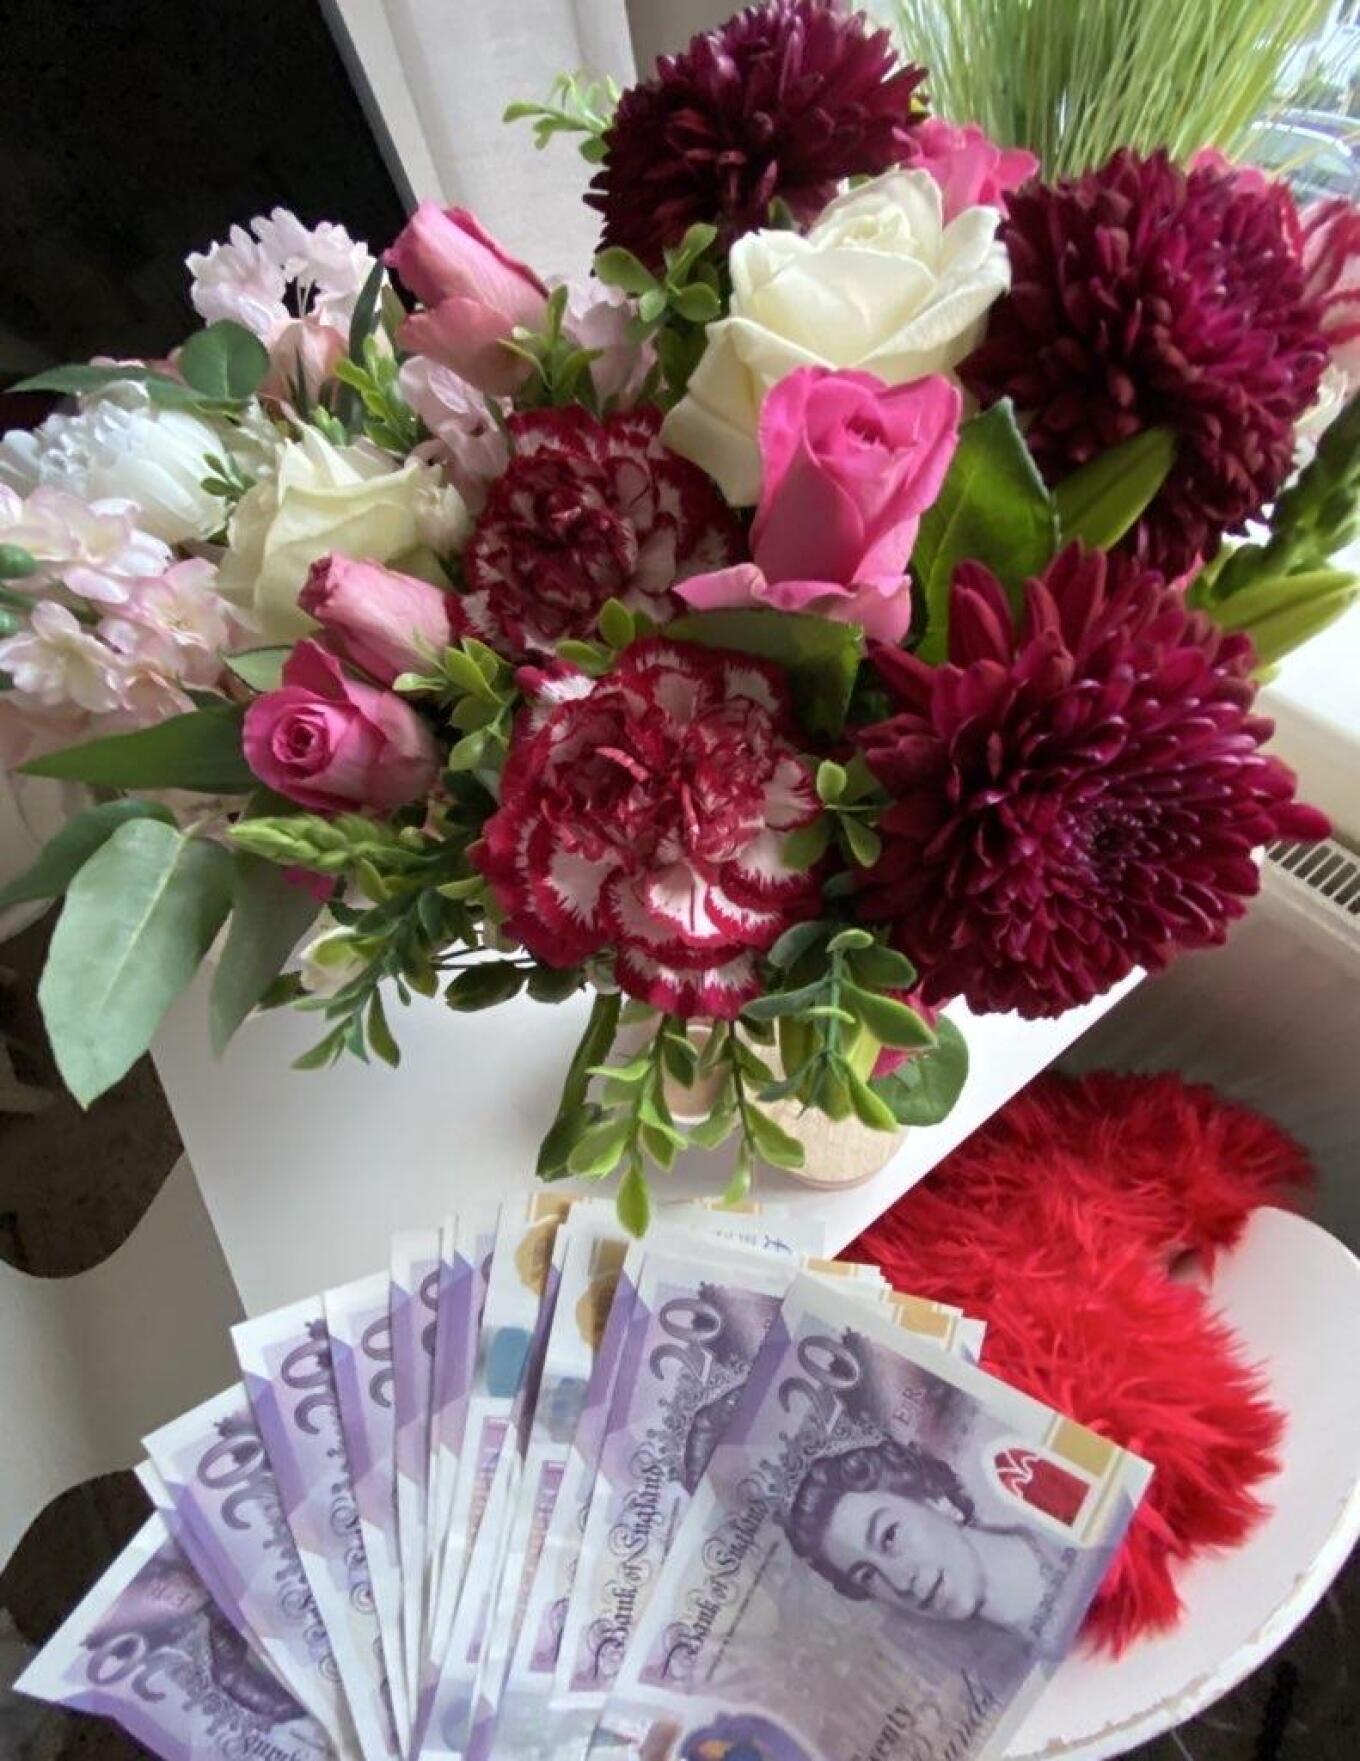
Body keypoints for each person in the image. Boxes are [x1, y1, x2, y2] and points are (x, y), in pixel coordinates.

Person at [785, 1436, 1060, 1656]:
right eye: (867, 1576)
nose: (899, 1583)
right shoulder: (1001, 1668)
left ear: (934, 1498)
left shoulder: (1058, 1527)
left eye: (889, 1537)